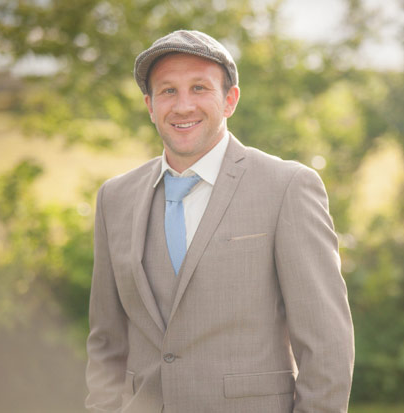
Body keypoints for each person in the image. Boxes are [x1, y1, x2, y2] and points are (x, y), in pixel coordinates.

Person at [85, 29, 354, 413]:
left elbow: (327, 345)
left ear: (230, 100)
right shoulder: (115, 197)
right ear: (149, 105)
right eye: (167, 91)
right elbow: (106, 341)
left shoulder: (287, 187)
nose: (182, 106)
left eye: (199, 88)